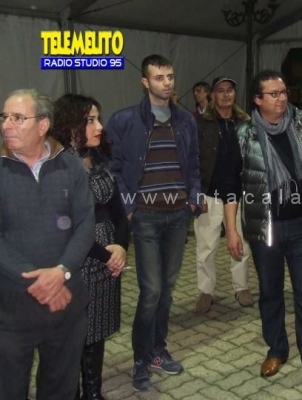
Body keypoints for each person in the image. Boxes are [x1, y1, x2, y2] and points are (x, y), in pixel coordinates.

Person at [221, 70, 302, 387]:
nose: (282, 98)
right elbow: (230, 186)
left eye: (284, 92)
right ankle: (276, 350)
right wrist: (231, 230)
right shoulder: (242, 134)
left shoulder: (301, 124)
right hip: (265, 229)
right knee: (271, 293)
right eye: (274, 94)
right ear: (258, 99)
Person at [106, 54, 202, 391]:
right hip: (145, 217)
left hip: (178, 216)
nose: (167, 82)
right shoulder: (124, 120)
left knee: (167, 290)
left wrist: (193, 198)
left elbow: (194, 164)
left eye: (170, 76)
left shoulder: (186, 120)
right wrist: (129, 207)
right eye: (159, 77)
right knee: (151, 291)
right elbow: (114, 167)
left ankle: (158, 350)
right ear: (145, 82)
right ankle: (140, 358)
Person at [0, 89, 95, 399]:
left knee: (60, 389)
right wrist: (39, 280)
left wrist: (61, 272)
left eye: (17, 118)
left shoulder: (70, 165)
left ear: (43, 125)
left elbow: (85, 225)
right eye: (4, 117)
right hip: (12, 310)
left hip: (66, 306)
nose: (6, 125)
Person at [50, 94, 129, 400]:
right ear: (71, 125)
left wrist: (121, 245)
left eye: (98, 119)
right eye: (90, 120)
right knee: (75, 333)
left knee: (97, 328)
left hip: (107, 259)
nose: (99, 127)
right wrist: (107, 254)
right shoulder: (59, 166)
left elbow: (117, 210)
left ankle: (93, 393)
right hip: (80, 260)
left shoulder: (97, 158)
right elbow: (67, 224)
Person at [195, 76, 254, 313]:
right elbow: (192, 159)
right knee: (206, 246)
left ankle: (241, 287)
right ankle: (205, 291)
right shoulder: (202, 123)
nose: (226, 94)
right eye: (220, 90)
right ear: (212, 95)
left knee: (242, 244)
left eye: (230, 90)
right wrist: (197, 192)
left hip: (240, 194)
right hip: (209, 192)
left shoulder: (245, 122)